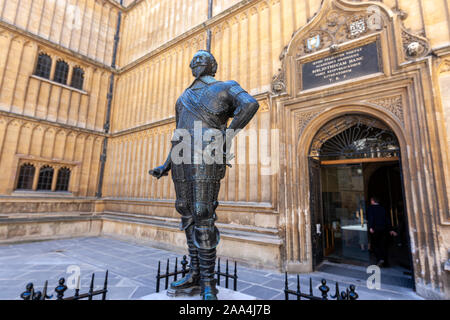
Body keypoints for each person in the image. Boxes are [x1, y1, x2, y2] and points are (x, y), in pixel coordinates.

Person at [149, 50, 259, 300]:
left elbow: (250, 104)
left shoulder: (227, 87)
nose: (198, 63)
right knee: (185, 210)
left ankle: (209, 282)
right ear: (191, 67)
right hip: (181, 157)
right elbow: (179, 132)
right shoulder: (183, 97)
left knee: (202, 211)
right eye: (195, 60)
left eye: (203, 60)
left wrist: (227, 136)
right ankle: (195, 273)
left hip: (207, 154)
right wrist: (165, 164)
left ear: (213, 66)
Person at [367, 196, 397, 267]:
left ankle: (379, 259)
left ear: (373, 201)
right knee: (383, 245)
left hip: (375, 229)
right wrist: (390, 229)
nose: (370, 202)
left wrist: (371, 227)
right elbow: (387, 219)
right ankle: (386, 262)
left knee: (376, 245)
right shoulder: (382, 208)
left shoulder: (371, 208)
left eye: (371, 200)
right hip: (384, 229)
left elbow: (371, 217)